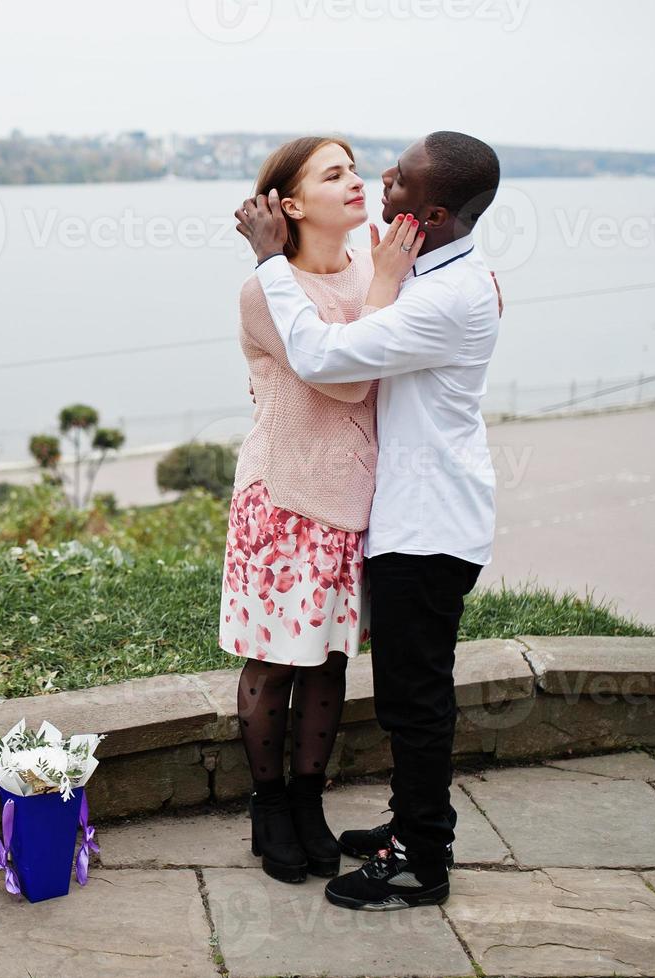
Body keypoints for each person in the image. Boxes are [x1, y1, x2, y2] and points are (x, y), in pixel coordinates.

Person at [235, 130, 503, 911]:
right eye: (351, 172)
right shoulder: (441, 268)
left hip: (425, 526)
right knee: (399, 693)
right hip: (376, 511)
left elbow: (328, 363)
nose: (377, 180)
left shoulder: (445, 294)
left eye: (395, 176)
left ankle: (421, 857)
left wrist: (266, 259)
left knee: (412, 703)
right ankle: (400, 830)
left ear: (435, 211)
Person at [221, 136, 421, 885]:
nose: (357, 182)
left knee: (331, 662)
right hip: (283, 500)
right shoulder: (263, 291)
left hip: (349, 503)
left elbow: (403, 329)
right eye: (333, 174)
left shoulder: (372, 265)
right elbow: (341, 377)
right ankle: (267, 805)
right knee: (275, 665)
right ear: (291, 206)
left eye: (355, 169)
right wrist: (386, 289)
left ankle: (308, 803)